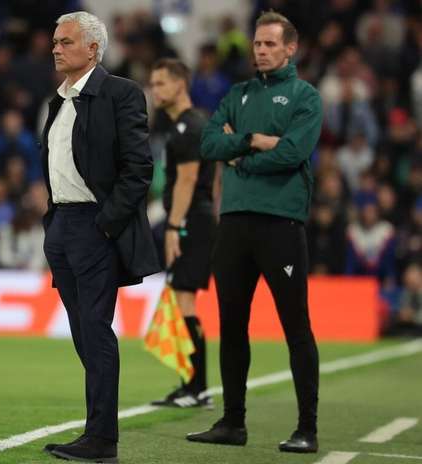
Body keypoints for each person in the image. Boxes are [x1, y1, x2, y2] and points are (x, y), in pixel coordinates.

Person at [186, 11, 322, 454]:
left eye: (269, 44)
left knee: (295, 327)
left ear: (289, 48)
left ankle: (307, 427)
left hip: (280, 223)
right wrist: (252, 141)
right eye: (257, 44)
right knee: (232, 325)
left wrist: (239, 156)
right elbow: (208, 144)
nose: (261, 50)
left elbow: (291, 153)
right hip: (235, 223)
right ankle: (232, 423)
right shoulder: (237, 94)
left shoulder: (305, 97)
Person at [40, 11, 159, 463]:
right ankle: (97, 429)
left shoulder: (120, 93)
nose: (56, 48)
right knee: (82, 332)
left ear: (93, 48)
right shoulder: (60, 100)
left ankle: (102, 439)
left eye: (66, 41)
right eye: (55, 41)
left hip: (95, 225)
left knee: (95, 328)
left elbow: (139, 168)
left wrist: (106, 224)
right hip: (63, 226)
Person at [148, 58, 216, 409]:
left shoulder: (189, 127)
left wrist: (174, 226)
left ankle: (197, 387)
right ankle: (191, 384)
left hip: (191, 221)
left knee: (185, 300)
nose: (155, 90)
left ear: (180, 84)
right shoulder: (186, 127)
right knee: (180, 299)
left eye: (161, 83)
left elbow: (188, 180)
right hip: (196, 218)